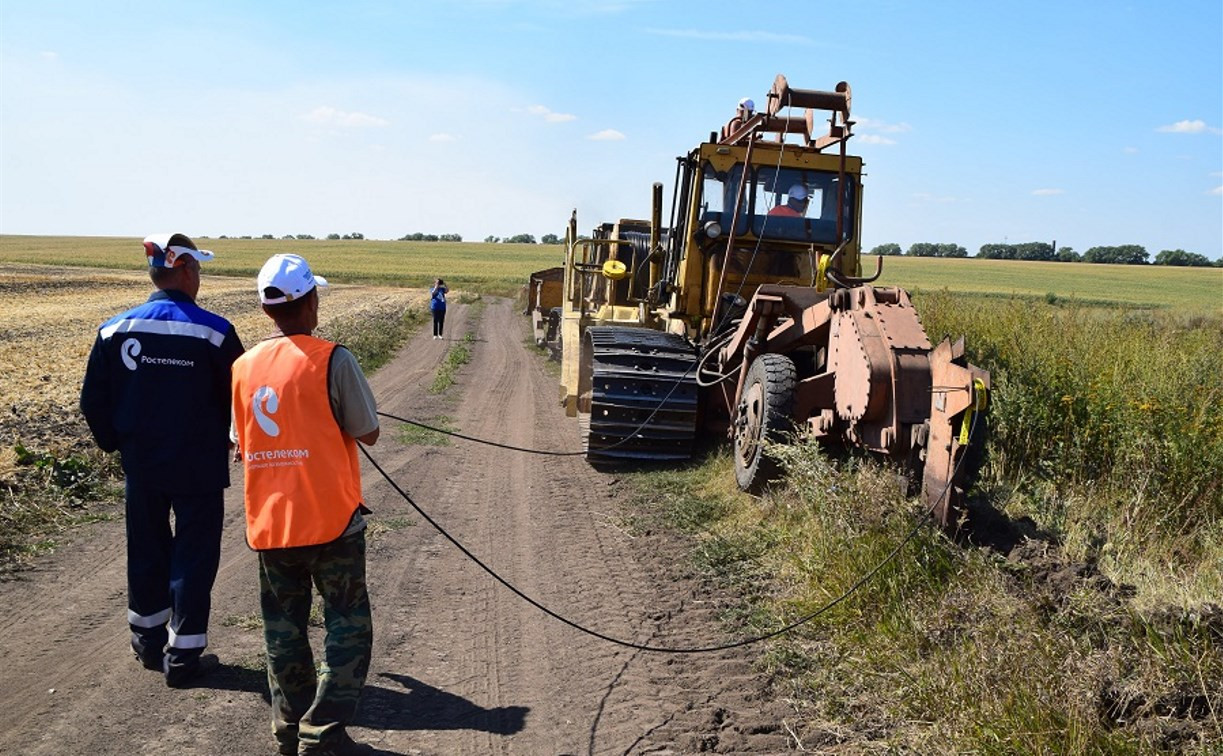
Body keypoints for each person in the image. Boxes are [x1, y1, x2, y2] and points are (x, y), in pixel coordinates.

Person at [231, 253, 380, 756]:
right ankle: (323, 734)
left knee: (283, 629)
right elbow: (368, 431)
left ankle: (289, 729)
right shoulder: (333, 358)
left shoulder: (242, 368)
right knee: (347, 623)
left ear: (268, 309)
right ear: (310, 301)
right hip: (332, 520)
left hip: (271, 525)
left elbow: (243, 444)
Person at [79, 232, 244, 687]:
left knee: (146, 548)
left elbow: (93, 401)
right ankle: (184, 658)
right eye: (200, 269)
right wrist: (235, 440)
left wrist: (120, 445)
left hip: (143, 464)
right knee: (193, 556)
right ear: (187, 269)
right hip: (198, 468)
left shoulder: (115, 329)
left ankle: (148, 642)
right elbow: (242, 395)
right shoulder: (215, 332)